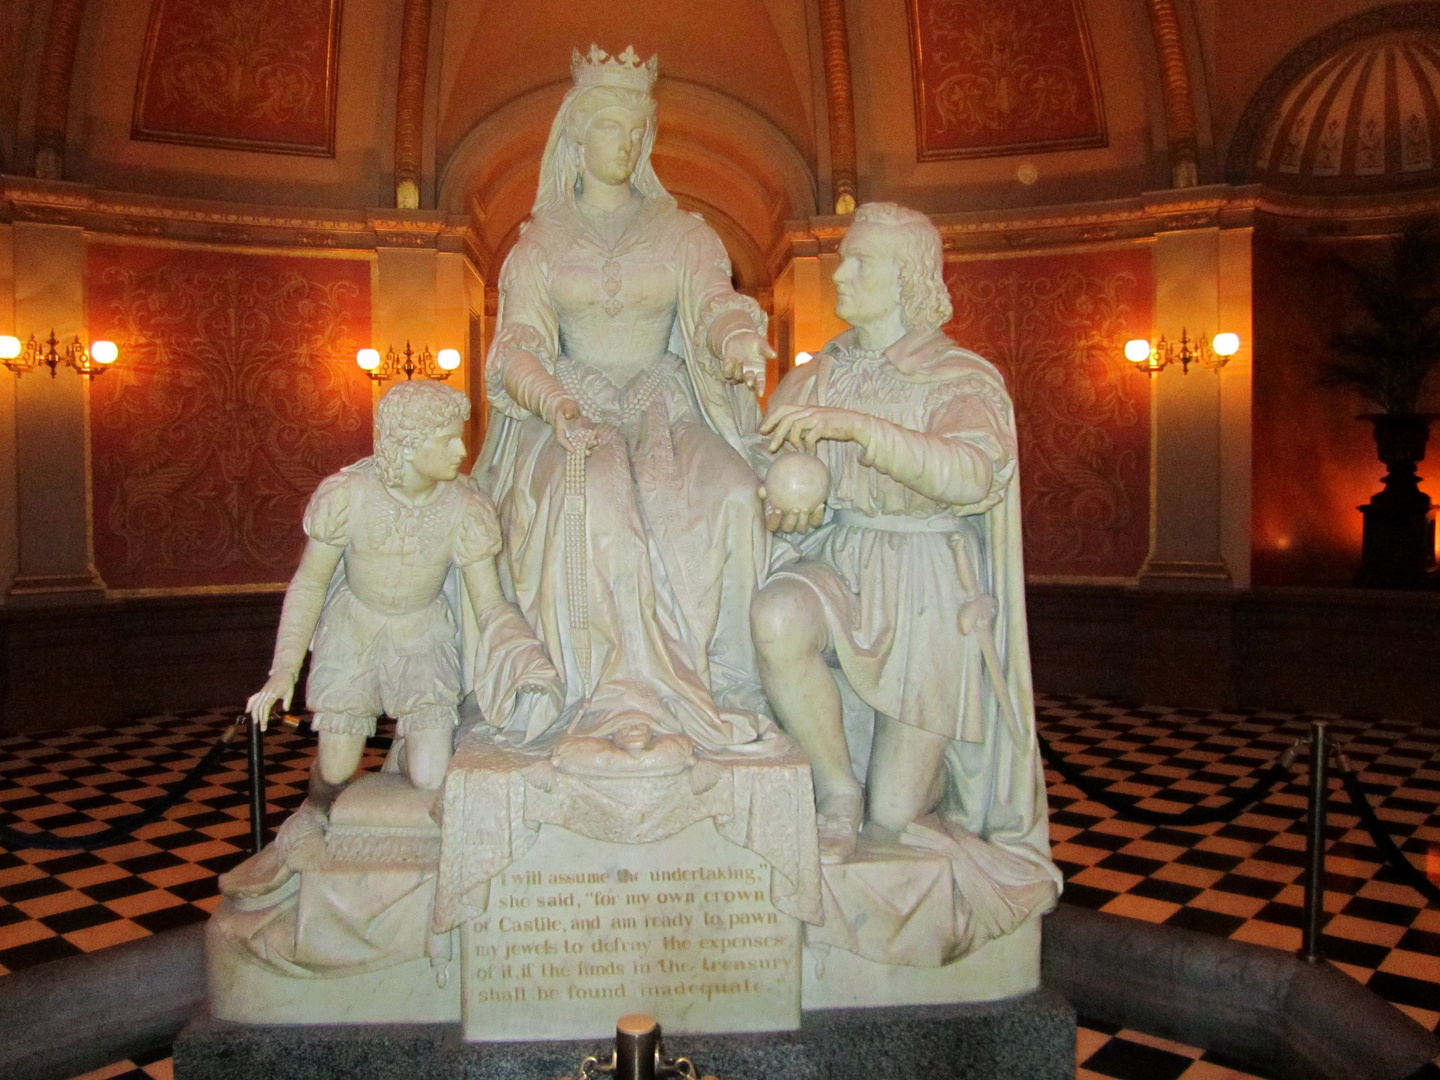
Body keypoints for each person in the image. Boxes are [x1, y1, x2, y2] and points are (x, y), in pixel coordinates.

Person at [750, 203, 1059, 935]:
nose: (843, 274)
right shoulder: (814, 376)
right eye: (845, 258)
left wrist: (859, 430)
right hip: (842, 560)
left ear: (908, 277)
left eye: (863, 262)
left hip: (926, 581)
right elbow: (761, 473)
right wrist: (781, 502)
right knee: (776, 616)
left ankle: (920, 790)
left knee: (897, 812)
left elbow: (971, 472)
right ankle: (834, 791)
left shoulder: (957, 378)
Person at [473, 45, 778, 755]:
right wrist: (554, 404)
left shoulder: (684, 233)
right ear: (575, 136)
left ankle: (730, 678)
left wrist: (736, 338)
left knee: (732, 490)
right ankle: (616, 692)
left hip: (664, 405)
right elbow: (517, 344)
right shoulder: (538, 245)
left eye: (639, 130)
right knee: (597, 491)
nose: (628, 142)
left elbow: (713, 304)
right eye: (612, 127)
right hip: (570, 407)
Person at [247, 381, 559, 811]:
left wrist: (522, 654)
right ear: (408, 445)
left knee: (432, 776)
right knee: (337, 769)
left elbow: (488, 602)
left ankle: (404, 776)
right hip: (352, 632)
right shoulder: (348, 495)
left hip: (423, 636)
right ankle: (315, 814)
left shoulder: (466, 507)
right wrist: (284, 669)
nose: (461, 452)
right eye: (447, 439)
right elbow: (310, 582)